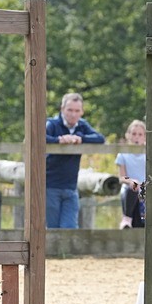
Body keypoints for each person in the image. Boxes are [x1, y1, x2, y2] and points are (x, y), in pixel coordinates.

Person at [45, 92, 105, 229]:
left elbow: (100, 138)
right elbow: (39, 137)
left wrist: (80, 138)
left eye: (77, 111)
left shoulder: (81, 126)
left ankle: (67, 252)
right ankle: (55, 252)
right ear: (62, 109)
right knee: (53, 229)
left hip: (71, 186)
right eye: (70, 110)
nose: (73, 114)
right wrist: (59, 140)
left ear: (82, 112)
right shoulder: (52, 124)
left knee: (70, 228)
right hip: (50, 186)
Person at [116, 119, 147, 229]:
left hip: (146, 190)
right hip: (131, 189)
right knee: (132, 188)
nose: (137, 137)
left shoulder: (148, 153)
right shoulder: (123, 154)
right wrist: (131, 180)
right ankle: (127, 218)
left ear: (145, 137)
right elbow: (122, 176)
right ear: (128, 135)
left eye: (140, 134)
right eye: (134, 134)